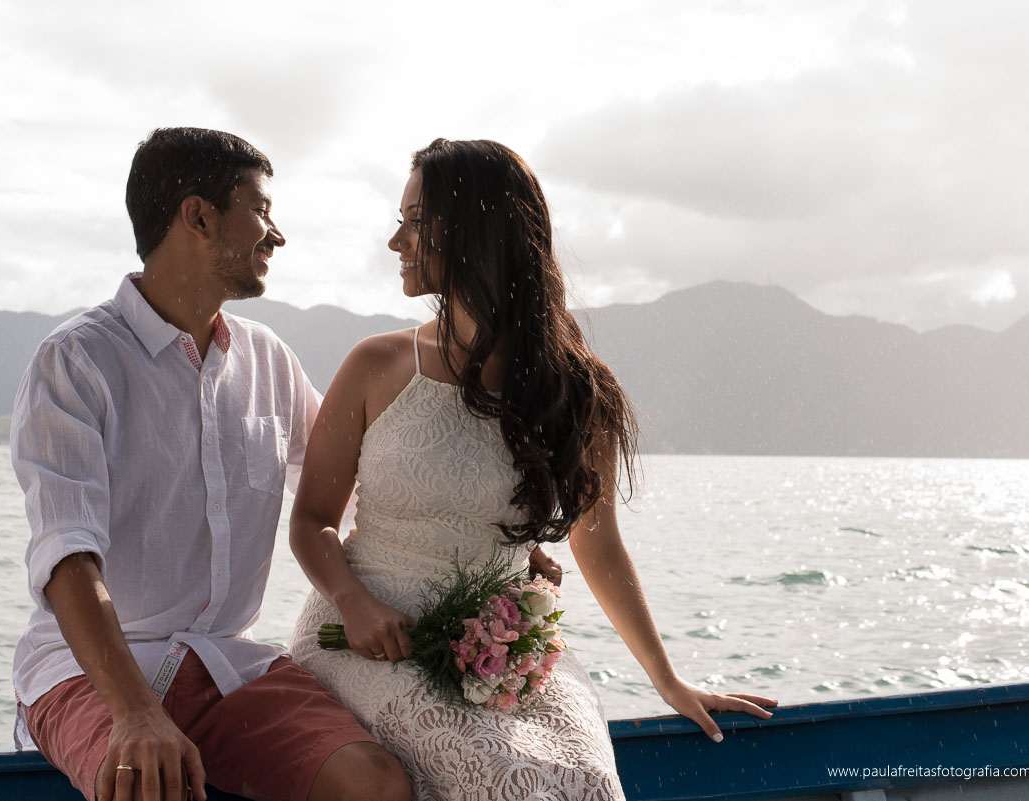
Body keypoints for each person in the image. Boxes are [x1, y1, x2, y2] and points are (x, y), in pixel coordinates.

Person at [287, 138, 778, 800]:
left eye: (416, 222)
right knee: (502, 778)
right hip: (369, 639)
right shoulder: (376, 365)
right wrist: (355, 603)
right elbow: (311, 520)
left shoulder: (574, 389)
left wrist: (667, 680)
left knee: (587, 781)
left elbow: (598, 544)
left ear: (476, 233)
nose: (396, 242)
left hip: (504, 645)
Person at [10, 127, 412, 801]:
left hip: (228, 663)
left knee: (376, 784)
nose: (276, 235)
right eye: (260, 210)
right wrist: (136, 712)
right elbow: (66, 557)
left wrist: (491, 545)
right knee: (147, 781)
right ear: (197, 217)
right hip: (89, 673)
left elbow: (358, 492)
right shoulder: (76, 361)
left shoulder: (269, 358)